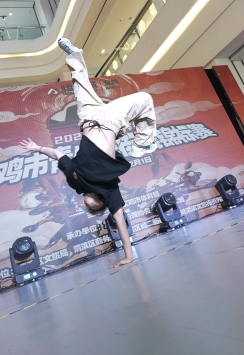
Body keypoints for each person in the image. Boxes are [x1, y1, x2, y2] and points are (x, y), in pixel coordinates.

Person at [19, 38, 157, 268]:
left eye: (87, 206)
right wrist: (129, 256)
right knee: (145, 99)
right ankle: (143, 143)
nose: (87, 204)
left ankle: (75, 54)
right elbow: (121, 222)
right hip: (111, 121)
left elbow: (58, 154)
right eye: (93, 206)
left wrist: (37, 148)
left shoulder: (76, 181)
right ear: (100, 202)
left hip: (88, 118)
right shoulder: (109, 190)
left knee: (79, 81)